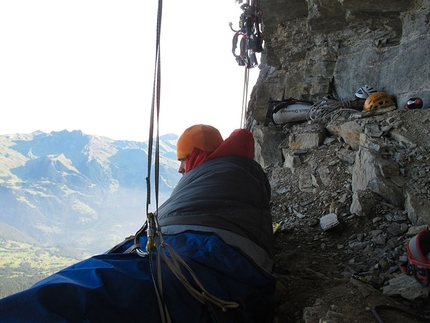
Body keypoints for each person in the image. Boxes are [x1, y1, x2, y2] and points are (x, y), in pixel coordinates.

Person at [0, 124, 276, 323]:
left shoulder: (223, 173)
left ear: (198, 154)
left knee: (84, 290)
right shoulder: (240, 173)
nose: (180, 169)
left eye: (183, 159)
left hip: (205, 253)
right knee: (96, 279)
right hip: (209, 250)